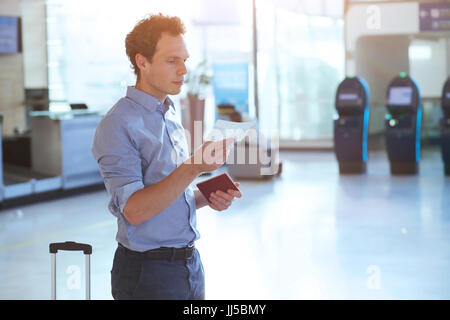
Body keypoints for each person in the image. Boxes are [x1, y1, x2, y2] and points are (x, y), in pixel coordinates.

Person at [91, 13, 242, 300]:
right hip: (148, 274)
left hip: (189, 265)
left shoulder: (169, 113)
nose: (183, 70)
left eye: (184, 60)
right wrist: (194, 165)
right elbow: (135, 211)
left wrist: (205, 197)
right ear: (142, 62)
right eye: (172, 61)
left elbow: (170, 192)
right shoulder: (117, 124)